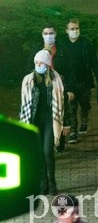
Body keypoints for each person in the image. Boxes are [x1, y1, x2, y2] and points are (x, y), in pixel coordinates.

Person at [20, 50, 67, 195]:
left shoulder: (56, 79)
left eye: (41, 63)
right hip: (34, 121)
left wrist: (67, 124)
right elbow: (24, 105)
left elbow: (64, 103)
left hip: (51, 121)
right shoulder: (28, 80)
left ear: (47, 64)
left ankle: (52, 182)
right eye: (36, 63)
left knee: (48, 151)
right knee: (39, 152)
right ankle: (43, 183)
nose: (38, 65)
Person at [54, 18, 97, 145]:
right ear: (67, 30)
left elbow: (94, 61)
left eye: (77, 28)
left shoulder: (86, 43)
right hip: (69, 82)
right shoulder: (63, 45)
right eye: (72, 29)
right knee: (71, 107)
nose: (75, 31)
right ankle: (73, 132)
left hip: (84, 80)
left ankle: (84, 121)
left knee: (85, 104)